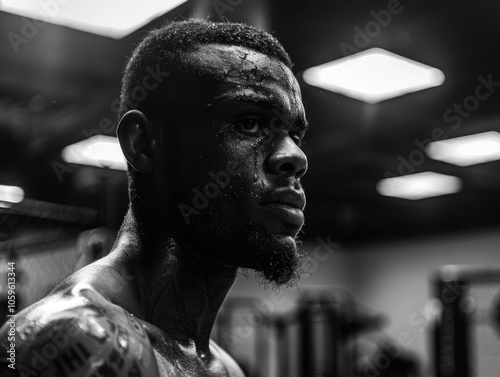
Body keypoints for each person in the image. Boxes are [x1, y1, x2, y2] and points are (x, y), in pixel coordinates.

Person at [0, 19, 309, 376]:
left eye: (295, 135)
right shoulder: (76, 340)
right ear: (143, 143)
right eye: (249, 123)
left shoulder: (223, 367)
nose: (296, 158)